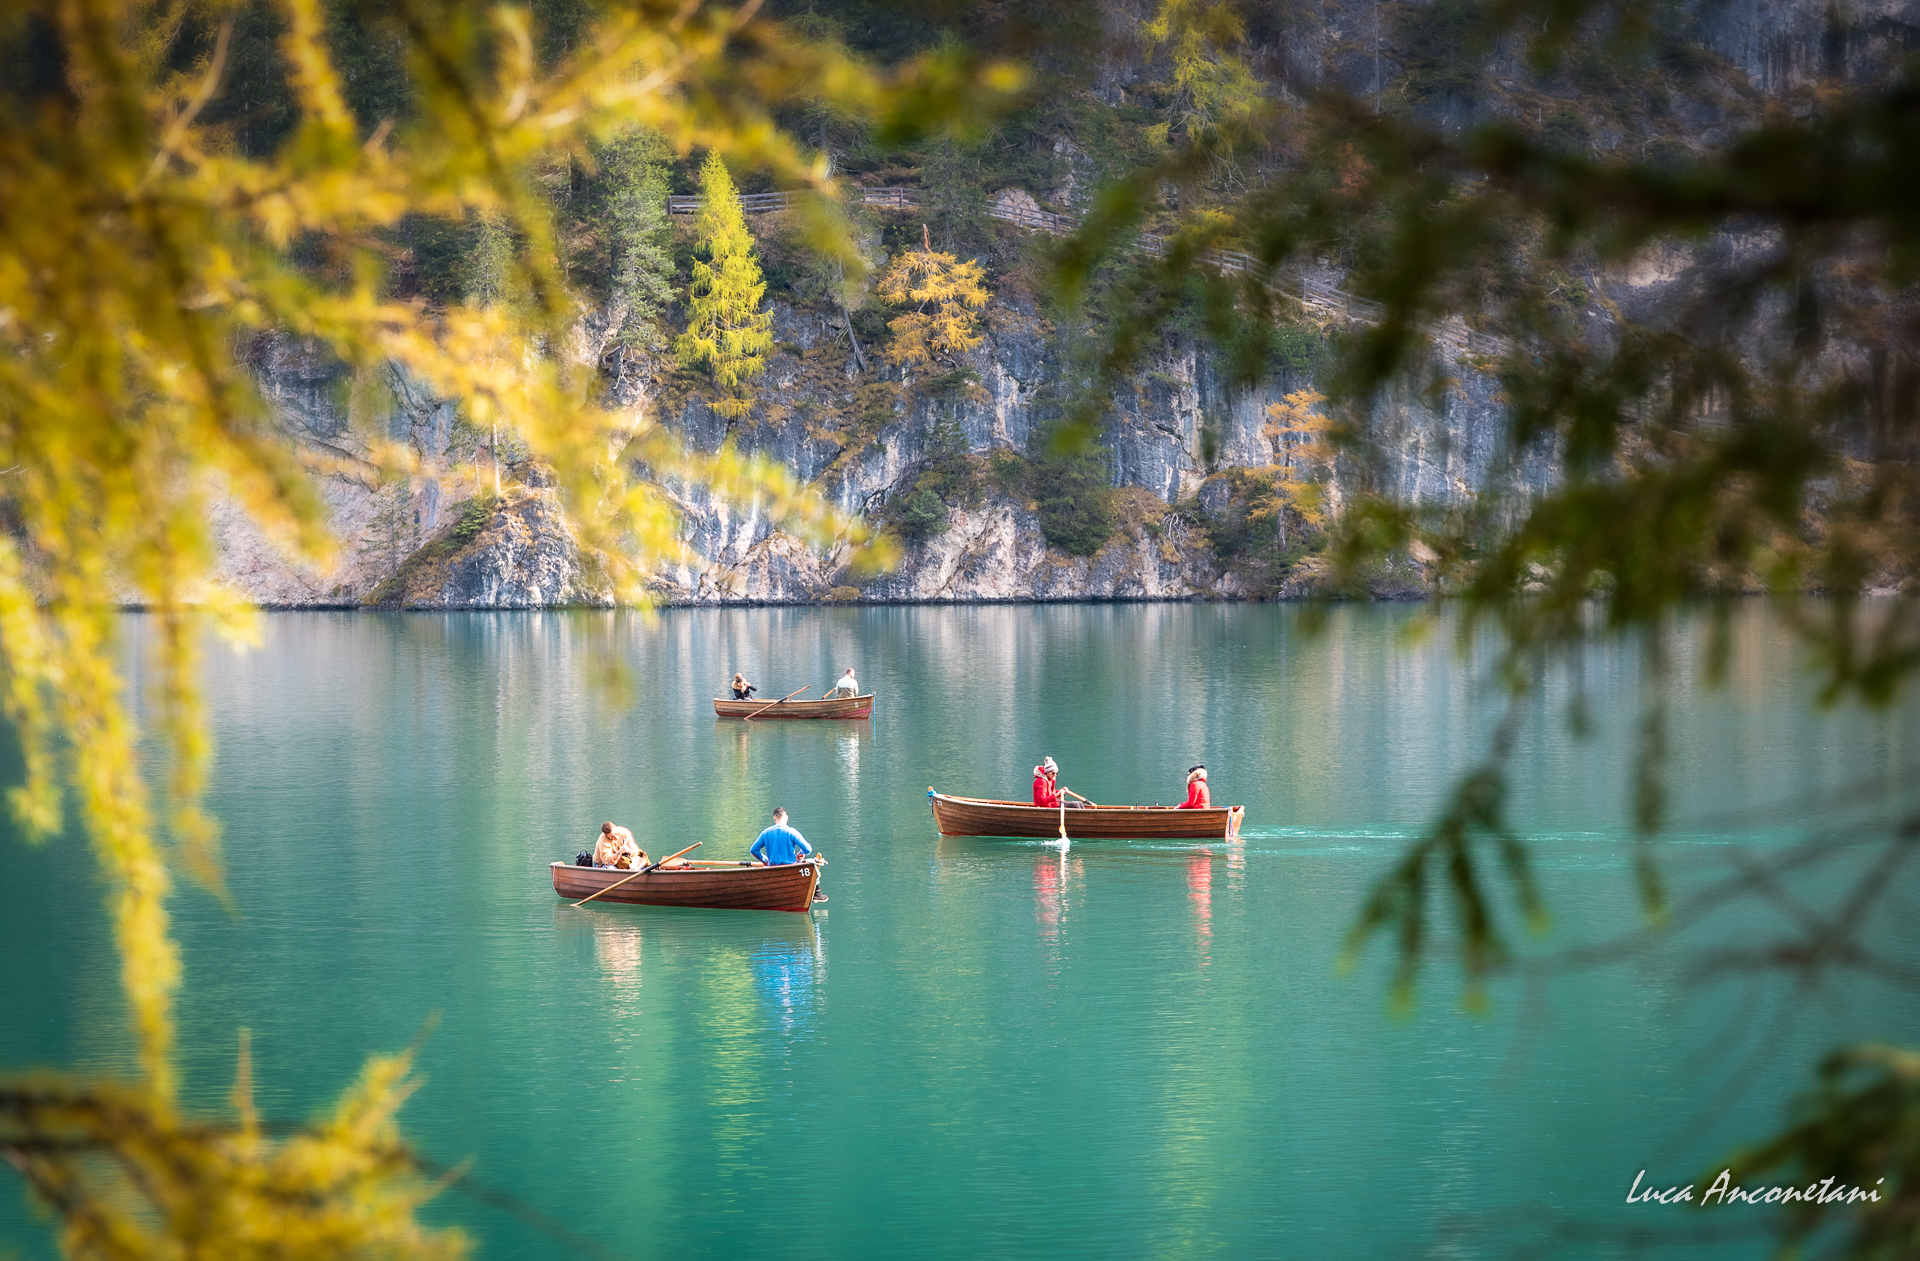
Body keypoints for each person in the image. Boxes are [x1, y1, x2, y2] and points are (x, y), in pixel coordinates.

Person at [752, 807, 827, 901]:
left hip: (772, 870)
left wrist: (765, 860)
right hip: (791, 869)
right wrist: (801, 853)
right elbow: (808, 849)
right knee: (813, 864)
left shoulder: (766, 832)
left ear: (774, 818)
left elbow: (754, 850)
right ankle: (816, 893)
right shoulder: (791, 831)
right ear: (786, 817)